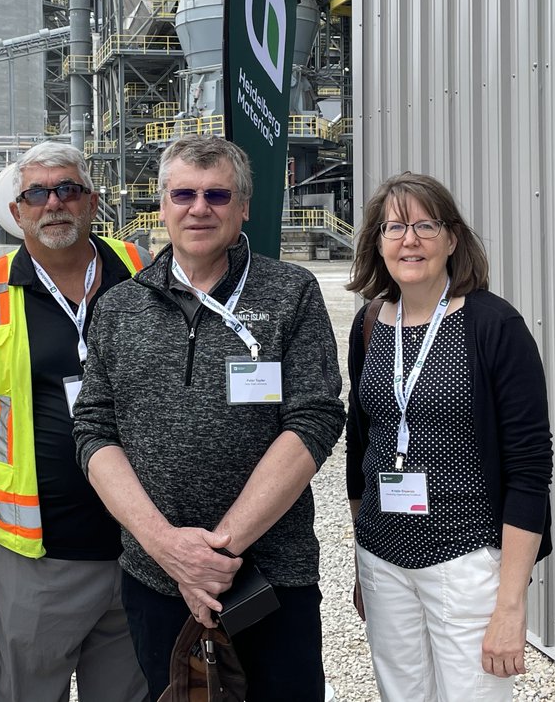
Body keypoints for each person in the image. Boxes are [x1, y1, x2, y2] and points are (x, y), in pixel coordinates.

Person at [73, 135, 345, 702]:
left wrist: (215, 556)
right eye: (184, 194)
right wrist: (169, 549)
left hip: (270, 573)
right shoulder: (119, 307)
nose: (200, 208)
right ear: (163, 204)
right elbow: (94, 429)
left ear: (243, 207)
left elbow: (314, 419)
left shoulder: (290, 292)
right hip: (157, 575)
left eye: (218, 195)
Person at [0, 141, 151, 702]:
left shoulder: (144, 273)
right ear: (17, 211)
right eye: (38, 194)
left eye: (68, 189)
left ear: (92, 202)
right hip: (37, 560)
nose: (55, 204)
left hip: (144, 548)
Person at [344, 172, 553, 702]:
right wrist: (360, 561)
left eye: (425, 225)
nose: (409, 240)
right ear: (377, 242)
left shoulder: (494, 325)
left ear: (453, 238)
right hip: (383, 560)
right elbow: (361, 447)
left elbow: (530, 468)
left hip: (465, 563)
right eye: (394, 227)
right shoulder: (370, 322)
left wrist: (510, 604)